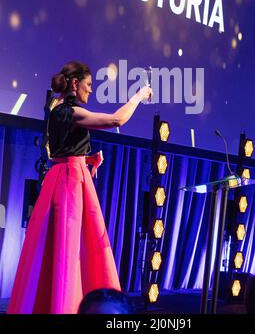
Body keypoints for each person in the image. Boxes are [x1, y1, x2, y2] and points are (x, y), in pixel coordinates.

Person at [7, 61, 152, 314]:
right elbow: (116, 119)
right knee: (69, 248)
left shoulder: (56, 109)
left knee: (57, 247)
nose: (91, 91)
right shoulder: (70, 112)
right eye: (88, 85)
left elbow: (62, 151)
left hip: (60, 177)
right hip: (70, 183)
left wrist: (86, 159)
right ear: (75, 84)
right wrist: (139, 95)